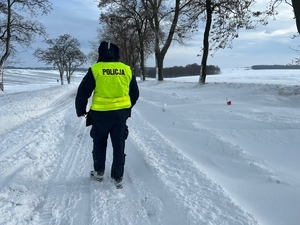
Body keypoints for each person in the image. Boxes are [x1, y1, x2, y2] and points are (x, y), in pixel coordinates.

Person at [75, 41, 139, 188]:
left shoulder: (96, 69)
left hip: (100, 116)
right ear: (117, 54)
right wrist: (126, 109)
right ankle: (118, 176)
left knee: (99, 143)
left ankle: (99, 172)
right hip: (120, 116)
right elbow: (134, 93)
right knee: (119, 144)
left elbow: (83, 92)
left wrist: (81, 110)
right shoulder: (127, 69)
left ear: (100, 53)